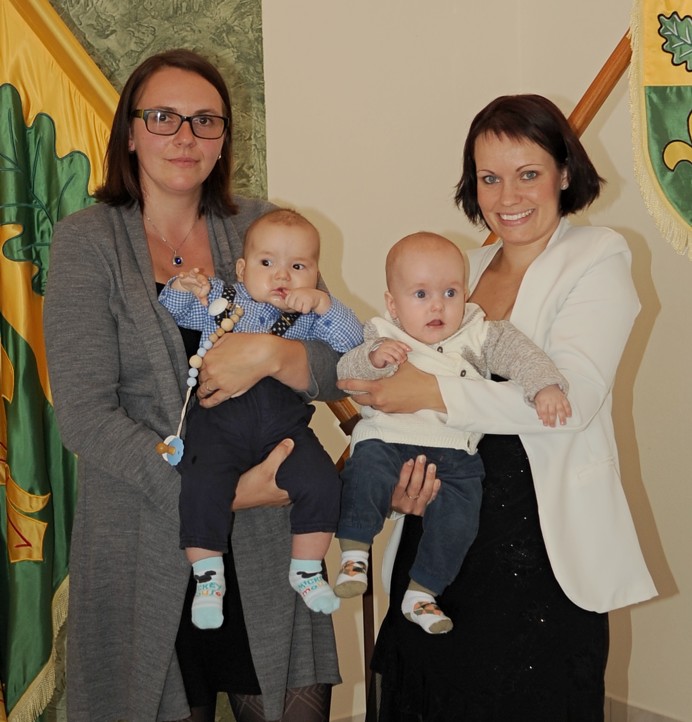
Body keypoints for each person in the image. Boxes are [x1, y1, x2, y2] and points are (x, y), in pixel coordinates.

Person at [338, 94, 657, 721]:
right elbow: (395, 380)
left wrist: (429, 393)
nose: (507, 196)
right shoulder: (464, 265)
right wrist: (399, 480)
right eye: (489, 178)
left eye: (527, 173)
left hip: (536, 542)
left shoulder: (598, 256)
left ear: (564, 172)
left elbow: (573, 400)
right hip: (442, 521)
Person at [43, 49, 341, 722]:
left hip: (271, 542)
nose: (185, 136)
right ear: (129, 132)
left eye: (206, 120)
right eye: (163, 117)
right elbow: (86, 414)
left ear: (224, 138)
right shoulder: (87, 242)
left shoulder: (264, 227)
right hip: (141, 540)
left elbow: (333, 367)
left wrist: (270, 353)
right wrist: (213, 494)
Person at [334, 231, 571, 635]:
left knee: (460, 517)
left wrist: (544, 386)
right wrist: (372, 359)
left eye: (450, 292)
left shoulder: (480, 332)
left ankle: (423, 592)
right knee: (365, 471)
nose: (437, 305)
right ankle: (354, 553)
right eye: (420, 294)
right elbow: (346, 374)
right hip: (387, 439)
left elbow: (523, 356)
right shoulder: (383, 334)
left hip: (454, 449)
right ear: (393, 304)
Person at [158, 208, 363, 627]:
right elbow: (174, 310)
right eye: (267, 263)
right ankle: (207, 576)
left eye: (298, 267)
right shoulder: (223, 301)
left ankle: (306, 568)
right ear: (242, 269)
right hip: (219, 422)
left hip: (283, 426)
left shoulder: (308, 317)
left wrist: (325, 304)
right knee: (201, 483)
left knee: (323, 481)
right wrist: (184, 286)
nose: (282, 275)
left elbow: (352, 345)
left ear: (315, 273)